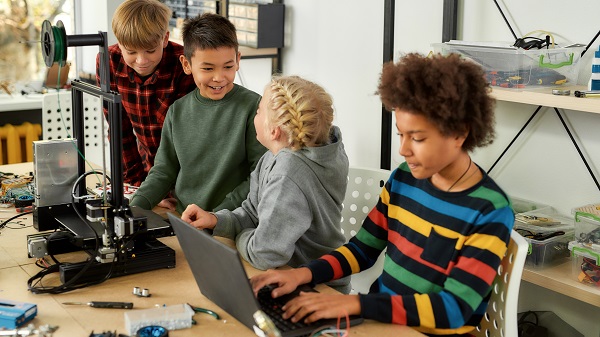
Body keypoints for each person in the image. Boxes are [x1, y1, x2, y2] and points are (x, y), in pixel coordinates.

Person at [250, 53, 515, 337]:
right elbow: (363, 250)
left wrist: (355, 304)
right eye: (401, 134)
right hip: (380, 323)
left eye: (418, 138)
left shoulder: (489, 210)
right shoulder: (403, 179)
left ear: (459, 134)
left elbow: (454, 309)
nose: (403, 149)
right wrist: (302, 274)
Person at [181, 75, 351, 293]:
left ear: (274, 131)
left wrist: (241, 235)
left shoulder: (289, 174)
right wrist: (216, 220)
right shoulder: (285, 154)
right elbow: (254, 212)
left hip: (317, 288)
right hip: (292, 275)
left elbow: (264, 254)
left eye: (259, 110)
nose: (256, 114)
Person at [129, 13, 266, 214]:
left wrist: (217, 217)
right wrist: (135, 206)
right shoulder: (177, 111)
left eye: (228, 67)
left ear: (238, 60)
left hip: (233, 219)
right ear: (186, 65)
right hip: (185, 218)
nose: (219, 77)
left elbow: (260, 175)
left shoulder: (254, 108)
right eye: (208, 68)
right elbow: (163, 171)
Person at [96, 0, 196, 187]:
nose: (141, 60)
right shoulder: (109, 61)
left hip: (186, 173)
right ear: (119, 42)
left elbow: (187, 138)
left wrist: (164, 189)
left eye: (150, 50)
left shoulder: (184, 64)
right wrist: (134, 184)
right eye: (131, 51)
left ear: (164, 39)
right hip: (144, 168)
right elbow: (119, 129)